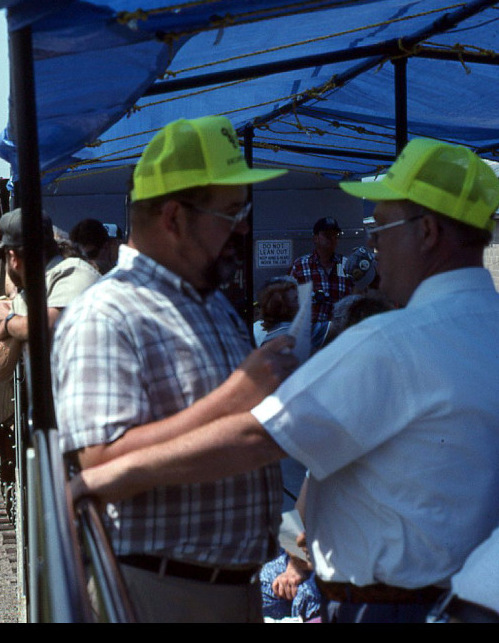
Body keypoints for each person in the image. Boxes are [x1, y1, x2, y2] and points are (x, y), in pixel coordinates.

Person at [72, 136, 499, 623]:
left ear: (426, 232)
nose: (371, 246)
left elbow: (259, 436)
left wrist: (100, 480)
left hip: (384, 606)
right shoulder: (483, 327)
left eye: (380, 228)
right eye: (232, 212)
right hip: (454, 602)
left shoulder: (393, 341)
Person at [52, 115, 298, 622]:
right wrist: (236, 395)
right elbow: (98, 463)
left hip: (229, 587)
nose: (244, 225)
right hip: (162, 591)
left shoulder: (209, 303)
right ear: (173, 218)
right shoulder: (107, 314)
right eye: (232, 211)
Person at [0, 208, 99, 385]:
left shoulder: (73, 271)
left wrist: (8, 321)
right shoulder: (25, 297)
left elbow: (45, 327)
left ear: (13, 258)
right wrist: (14, 325)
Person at [289, 216, 353, 344]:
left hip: (339, 338)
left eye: (335, 235)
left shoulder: (347, 265)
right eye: (327, 235)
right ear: (315, 238)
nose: (332, 239)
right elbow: (288, 301)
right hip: (309, 338)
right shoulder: (300, 266)